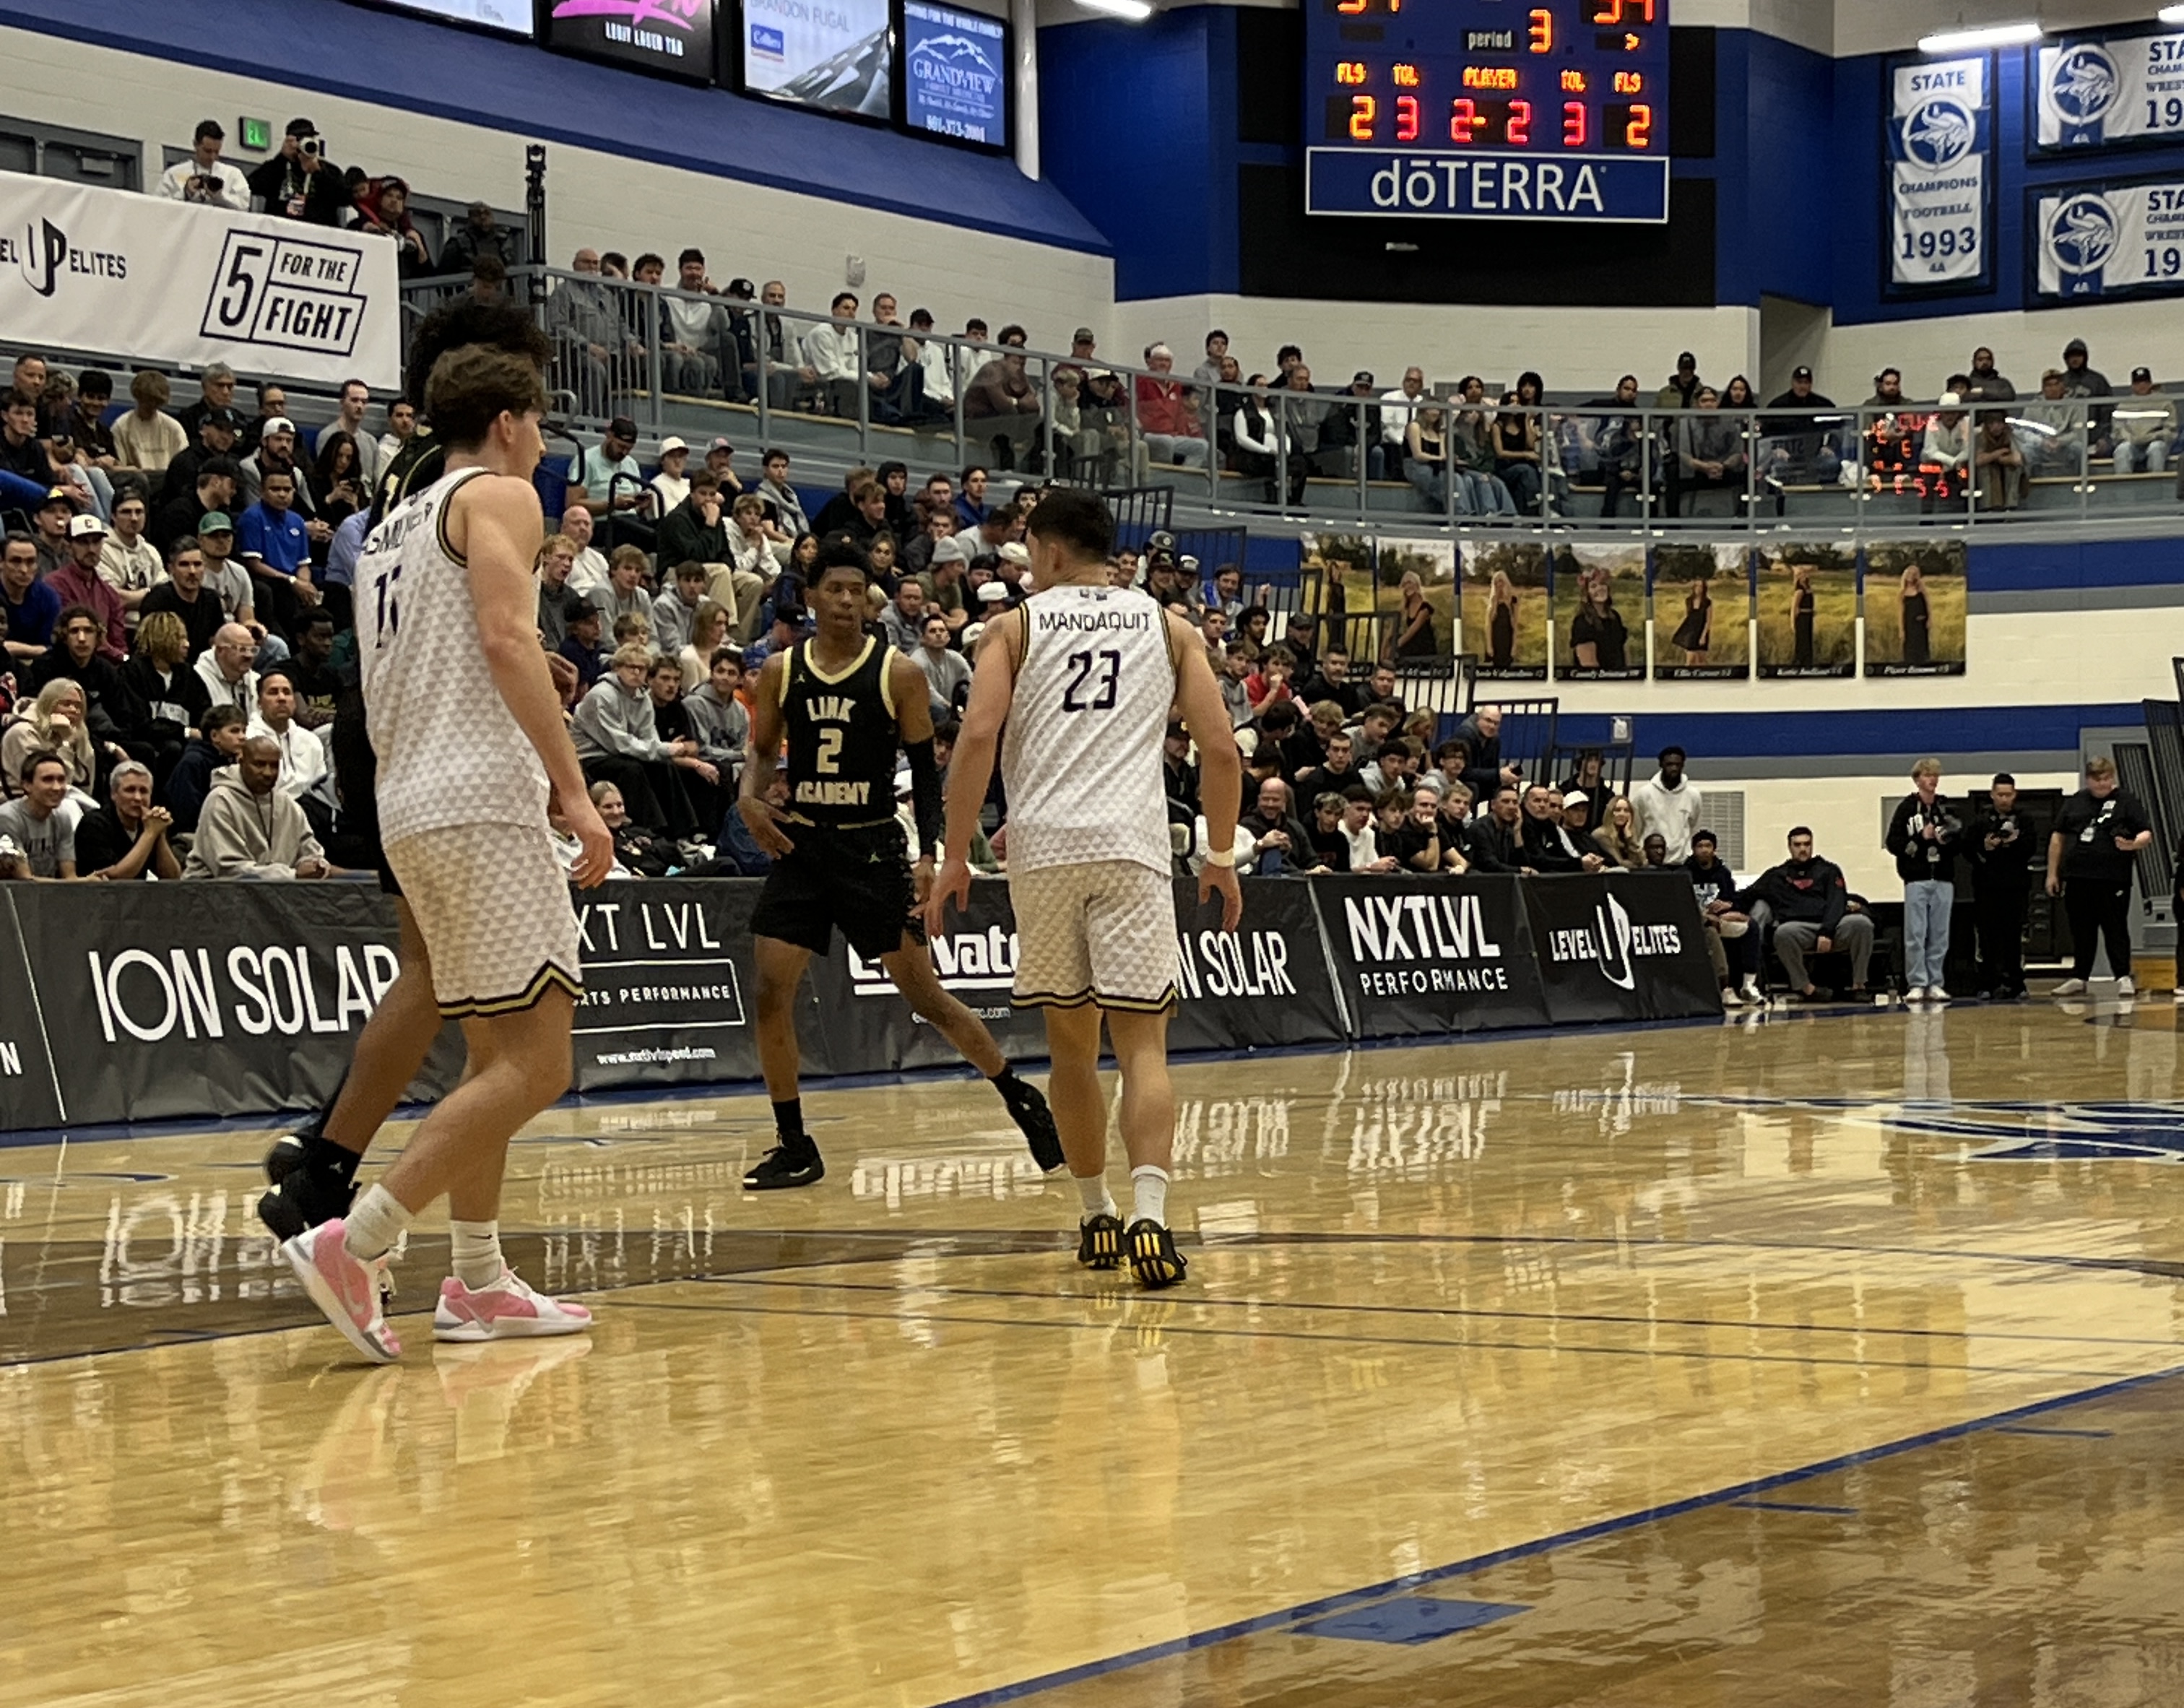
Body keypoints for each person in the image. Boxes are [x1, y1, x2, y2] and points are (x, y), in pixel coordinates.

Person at [278, 326, 615, 1363]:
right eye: (540, 425)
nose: (543, 445)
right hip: (479, 798)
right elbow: (507, 640)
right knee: (542, 1061)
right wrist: (574, 790)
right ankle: (359, 1240)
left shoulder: (388, 527)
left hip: (408, 799)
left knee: (490, 1051)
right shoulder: (499, 495)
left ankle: (478, 1279)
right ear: (507, 423)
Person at [932, 488, 1241, 1288]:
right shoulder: (1170, 627)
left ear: (1052, 551)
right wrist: (1219, 855)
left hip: (1043, 851)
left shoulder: (1013, 627)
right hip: (1130, 848)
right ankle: (1151, 1218)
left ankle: (1095, 1210)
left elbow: (977, 735)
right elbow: (1219, 748)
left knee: (1071, 1048)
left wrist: (955, 854)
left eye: (1031, 553)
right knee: (1143, 1046)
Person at [734, 538, 1060, 1192]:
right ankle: (795, 1143)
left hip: (873, 849)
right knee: (769, 992)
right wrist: (749, 797)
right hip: (804, 848)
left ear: (869, 601)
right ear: (810, 596)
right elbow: (764, 750)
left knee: (926, 998)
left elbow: (924, 770)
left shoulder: (899, 673)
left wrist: (929, 854)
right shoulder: (780, 669)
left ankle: (1018, 1093)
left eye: (857, 591)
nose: (846, 600)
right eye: (834, 589)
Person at [2048, 755, 2152, 997]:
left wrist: (2132, 844)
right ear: (2088, 780)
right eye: (2097, 780)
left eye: (2106, 779)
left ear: (2112, 778)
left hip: (2112, 878)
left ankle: (2122, 976)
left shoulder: (2126, 801)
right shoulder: (2075, 802)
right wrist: (2053, 873)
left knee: (2115, 927)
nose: (2102, 784)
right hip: (2078, 876)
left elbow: (2146, 833)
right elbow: (2058, 836)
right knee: (2081, 929)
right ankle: (2080, 976)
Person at [1740, 826, 1874, 1000]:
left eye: (1807, 844)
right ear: (1790, 847)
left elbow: (1836, 902)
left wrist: (1827, 932)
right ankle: (1807, 989)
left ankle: (1859, 986)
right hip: (1800, 931)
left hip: (1832, 927)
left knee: (1862, 924)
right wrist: (1725, 906)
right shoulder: (1776, 876)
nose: (1803, 849)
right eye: (1797, 845)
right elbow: (1747, 895)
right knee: (1783, 933)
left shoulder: (1829, 870)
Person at [181, 735, 332, 880]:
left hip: (276, 892)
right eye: (259, 765)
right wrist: (291, 875)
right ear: (241, 762)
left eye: (274, 766)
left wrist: (315, 865)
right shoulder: (220, 801)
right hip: (211, 891)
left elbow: (310, 850)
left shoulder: (287, 804)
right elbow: (228, 869)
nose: (268, 773)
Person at [1885, 758, 1962, 1001]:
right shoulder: (1906, 808)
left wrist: (1944, 841)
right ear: (1917, 779)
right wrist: (1921, 838)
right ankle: (1917, 982)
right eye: (1928, 775)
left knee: (1940, 934)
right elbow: (1893, 843)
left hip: (1943, 879)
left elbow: (1959, 842)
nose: (1932, 780)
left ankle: (1936, 981)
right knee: (1916, 933)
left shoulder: (1945, 807)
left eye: (1935, 775)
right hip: (1916, 879)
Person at [1968, 773, 2032, 1000]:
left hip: (2015, 888)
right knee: (1987, 938)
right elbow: (1967, 850)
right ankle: (1987, 983)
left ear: (2015, 794)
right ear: (1992, 795)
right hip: (1987, 888)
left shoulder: (2025, 820)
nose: (2004, 799)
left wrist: (2014, 842)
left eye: (2008, 794)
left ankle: (2016, 983)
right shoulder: (1981, 821)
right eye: (2000, 794)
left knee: (2013, 938)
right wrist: (1985, 847)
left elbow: (2031, 848)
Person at [72, 759, 178, 881]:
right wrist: (150, 833)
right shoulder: (94, 824)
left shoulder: (149, 824)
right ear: (114, 794)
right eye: (130, 790)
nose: (138, 798)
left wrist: (160, 834)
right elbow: (115, 879)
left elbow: (173, 877)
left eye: (144, 791)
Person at [0, 752, 77, 877]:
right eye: (48, 780)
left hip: (49, 889)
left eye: (61, 780)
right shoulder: (7, 818)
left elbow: (69, 876)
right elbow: (26, 880)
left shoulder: (63, 817)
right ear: (27, 785)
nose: (57, 787)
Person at [1631, 745, 1703, 861]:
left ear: (1683, 765)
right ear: (1661, 765)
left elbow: (1694, 827)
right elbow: (1636, 829)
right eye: (1669, 764)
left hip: (1682, 861)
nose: (1674, 768)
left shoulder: (1693, 795)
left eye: (1678, 765)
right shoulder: (1644, 794)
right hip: (1651, 862)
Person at [1566, 568, 1628, 672]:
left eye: (1603, 584)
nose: (1600, 589)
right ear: (1586, 593)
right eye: (1593, 586)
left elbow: (1621, 653)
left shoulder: (1614, 617)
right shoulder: (1583, 622)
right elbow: (1588, 664)